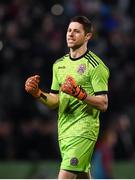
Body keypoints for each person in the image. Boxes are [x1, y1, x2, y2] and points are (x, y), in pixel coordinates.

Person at [25, 15, 109, 179]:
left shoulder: (95, 66)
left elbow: (103, 103)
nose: (70, 34)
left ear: (88, 36)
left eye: (76, 31)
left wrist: (80, 94)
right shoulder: (59, 65)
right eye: (69, 30)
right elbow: (55, 101)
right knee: (82, 176)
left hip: (84, 131)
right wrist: (37, 93)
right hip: (64, 132)